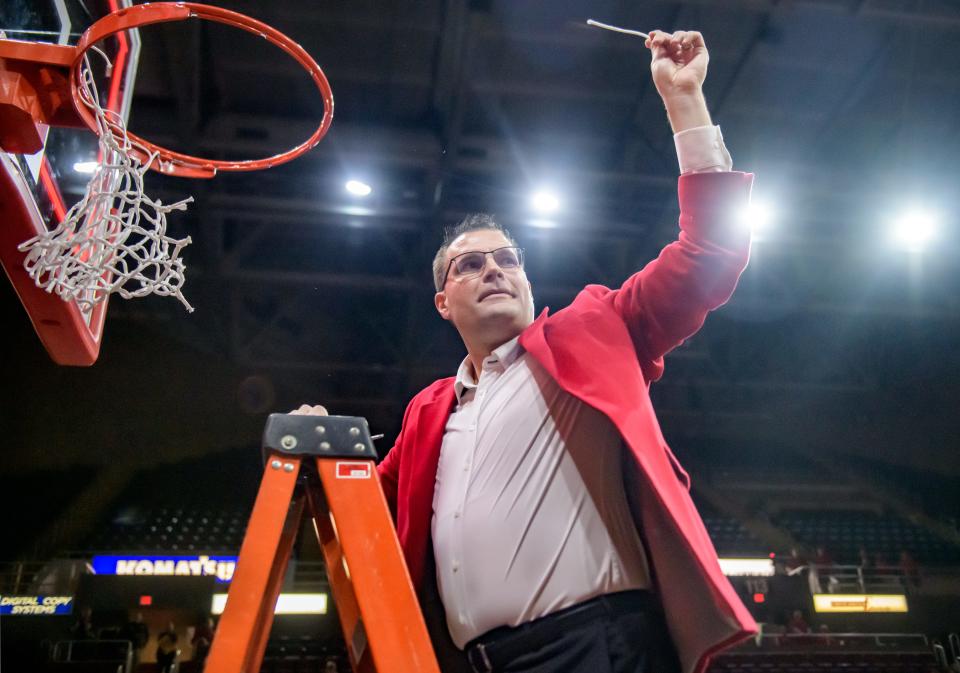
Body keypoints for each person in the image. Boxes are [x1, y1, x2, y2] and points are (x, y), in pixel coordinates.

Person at [295, 28, 755, 673]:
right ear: (441, 302)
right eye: (470, 264)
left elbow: (710, 254)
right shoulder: (429, 411)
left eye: (508, 259)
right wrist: (321, 449)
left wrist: (684, 101)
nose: (494, 270)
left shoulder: (591, 327)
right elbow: (367, 509)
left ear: (527, 281)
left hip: (598, 646)